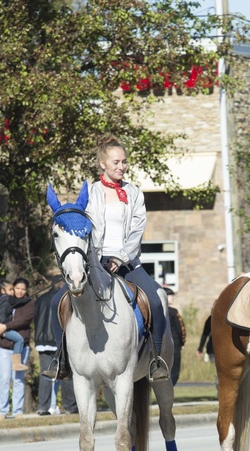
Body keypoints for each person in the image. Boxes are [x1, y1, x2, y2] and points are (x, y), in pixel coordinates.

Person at [85, 133, 170, 382]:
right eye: (116, 162)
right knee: (62, 301)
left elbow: (136, 232)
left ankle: (156, 360)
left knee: (155, 302)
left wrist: (119, 259)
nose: (121, 166)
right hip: (96, 263)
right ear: (102, 164)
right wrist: (97, 259)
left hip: (127, 262)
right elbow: (87, 232)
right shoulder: (90, 193)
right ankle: (63, 360)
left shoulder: (133, 193)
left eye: (124, 162)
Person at [0, 276, 35, 419]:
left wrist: (6, 327)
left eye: (22, 289)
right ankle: (2, 410)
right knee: (5, 378)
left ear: (26, 291)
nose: (19, 291)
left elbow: (24, 320)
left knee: (19, 379)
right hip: (3, 346)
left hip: (21, 347)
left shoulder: (29, 304)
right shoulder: (3, 300)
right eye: (17, 288)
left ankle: (17, 411)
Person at [34, 274, 64, 415]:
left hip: (42, 341)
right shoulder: (63, 298)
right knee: (65, 373)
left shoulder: (40, 299)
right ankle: (70, 406)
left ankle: (43, 407)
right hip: (58, 341)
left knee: (46, 374)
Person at [0, 280, 28, 371]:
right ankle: (17, 363)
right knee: (19, 340)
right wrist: (28, 298)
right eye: (11, 289)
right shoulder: (8, 299)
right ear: (3, 291)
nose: (13, 292)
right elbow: (20, 302)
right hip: (3, 327)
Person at [165, 288, 186, 385]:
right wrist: (182, 342)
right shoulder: (173, 312)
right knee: (174, 372)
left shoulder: (155, 311)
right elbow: (181, 328)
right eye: (171, 296)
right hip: (174, 343)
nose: (173, 298)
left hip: (160, 344)